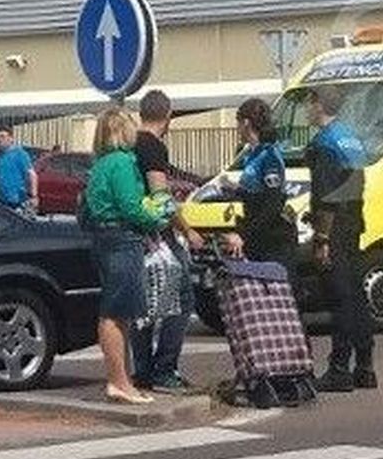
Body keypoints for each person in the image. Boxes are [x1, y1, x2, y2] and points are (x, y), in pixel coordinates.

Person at [83, 107, 169, 406]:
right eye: (131, 124)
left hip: (103, 238)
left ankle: (123, 380)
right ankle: (119, 382)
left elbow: (86, 207)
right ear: (122, 129)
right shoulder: (120, 163)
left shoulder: (101, 164)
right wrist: (157, 217)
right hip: (121, 238)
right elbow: (131, 206)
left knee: (116, 310)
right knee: (117, 313)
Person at [131, 90, 205, 394]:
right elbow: (160, 198)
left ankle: (144, 370)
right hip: (156, 233)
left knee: (144, 300)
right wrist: (187, 230)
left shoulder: (130, 143)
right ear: (168, 116)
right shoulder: (153, 147)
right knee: (182, 296)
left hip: (134, 232)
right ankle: (165, 369)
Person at [305, 85, 376, 392]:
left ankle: (339, 368)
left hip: (335, 227)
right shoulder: (351, 138)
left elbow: (327, 197)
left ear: (319, 105)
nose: (307, 110)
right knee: (357, 296)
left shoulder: (324, 143)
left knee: (340, 298)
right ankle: (365, 366)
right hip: (354, 221)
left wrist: (321, 239)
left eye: (309, 104)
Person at [221, 98, 295, 274]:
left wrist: (243, 235)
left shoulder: (269, 155)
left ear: (246, 123)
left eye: (237, 123)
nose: (237, 129)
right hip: (257, 235)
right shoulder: (253, 153)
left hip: (272, 239)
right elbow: (255, 192)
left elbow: (273, 201)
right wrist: (235, 189)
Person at [0, 126, 38, 210]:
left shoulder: (20, 154)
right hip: (1, 201)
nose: (0, 139)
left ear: (11, 138)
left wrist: (34, 196)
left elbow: (32, 175)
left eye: (3, 136)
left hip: (18, 201)